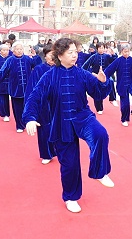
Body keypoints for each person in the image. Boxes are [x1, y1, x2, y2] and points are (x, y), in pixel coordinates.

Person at [24, 38, 113, 213]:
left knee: (100, 134)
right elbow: (35, 97)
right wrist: (30, 117)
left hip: (83, 117)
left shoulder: (82, 74)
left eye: (76, 52)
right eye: (70, 52)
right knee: (69, 165)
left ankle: (99, 172)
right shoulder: (49, 76)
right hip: (61, 123)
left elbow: (98, 93)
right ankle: (71, 197)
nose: (75, 55)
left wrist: (103, 82)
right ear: (60, 55)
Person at [0, 41, 40, 132]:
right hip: (15, 89)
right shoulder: (10, 60)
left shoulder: (27, 59)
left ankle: (28, 122)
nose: (19, 51)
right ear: (13, 50)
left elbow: (37, 64)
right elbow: (1, 73)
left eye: (21, 49)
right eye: (17, 49)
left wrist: (35, 56)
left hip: (28, 89)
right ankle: (19, 125)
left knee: (28, 107)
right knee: (17, 109)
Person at [25, 45, 58, 164]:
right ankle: (46, 154)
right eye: (50, 54)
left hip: (58, 104)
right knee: (44, 129)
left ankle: (59, 150)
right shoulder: (39, 69)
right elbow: (31, 90)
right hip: (44, 104)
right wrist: (30, 109)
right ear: (45, 56)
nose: (53, 57)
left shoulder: (62, 68)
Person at [103, 43, 132, 126]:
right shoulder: (118, 61)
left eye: (128, 51)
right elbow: (109, 70)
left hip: (131, 83)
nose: (126, 53)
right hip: (122, 85)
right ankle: (124, 119)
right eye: (125, 51)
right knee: (125, 104)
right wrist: (104, 77)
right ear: (121, 51)